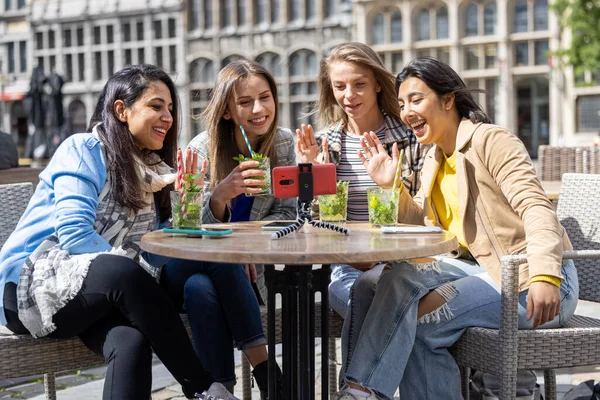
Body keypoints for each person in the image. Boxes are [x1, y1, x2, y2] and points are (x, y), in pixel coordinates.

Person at [331, 57, 579, 400]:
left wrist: (545, 276)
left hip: (527, 279)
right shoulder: (434, 157)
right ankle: (358, 389)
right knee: (373, 281)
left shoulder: (491, 141)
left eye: (416, 100)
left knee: (416, 322)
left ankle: (361, 390)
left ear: (448, 100)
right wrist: (391, 187)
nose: (406, 112)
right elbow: (424, 226)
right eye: (402, 104)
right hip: (480, 270)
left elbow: (537, 208)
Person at [0, 64, 237, 400]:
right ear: (121, 110)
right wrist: (140, 279)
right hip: (29, 287)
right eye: (156, 106)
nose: (168, 117)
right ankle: (201, 386)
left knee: (131, 341)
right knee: (125, 271)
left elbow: (155, 245)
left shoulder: (152, 169)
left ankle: (258, 366)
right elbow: (75, 234)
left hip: (97, 292)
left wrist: (199, 204)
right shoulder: (83, 149)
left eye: (171, 108)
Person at [184, 59, 295, 398]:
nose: (259, 109)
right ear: (228, 111)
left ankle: (221, 391)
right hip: (197, 260)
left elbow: (288, 215)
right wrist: (219, 197)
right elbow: (186, 227)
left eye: (265, 97)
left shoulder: (283, 145)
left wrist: (250, 242)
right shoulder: (201, 150)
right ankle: (267, 372)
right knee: (217, 255)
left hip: (249, 274)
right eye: (245, 102)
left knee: (198, 289)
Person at [294, 42, 429, 318]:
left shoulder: (410, 139)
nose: (349, 95)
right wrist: (308, 172)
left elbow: (425, 218)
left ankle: (356, 364)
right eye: (339, 86)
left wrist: (391, 187)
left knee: (379, 305)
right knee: (365, 301)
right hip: (346, 267)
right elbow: (309, 224)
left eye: (359, 84)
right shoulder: (325, 145)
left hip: (403, 264)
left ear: (378, 84)